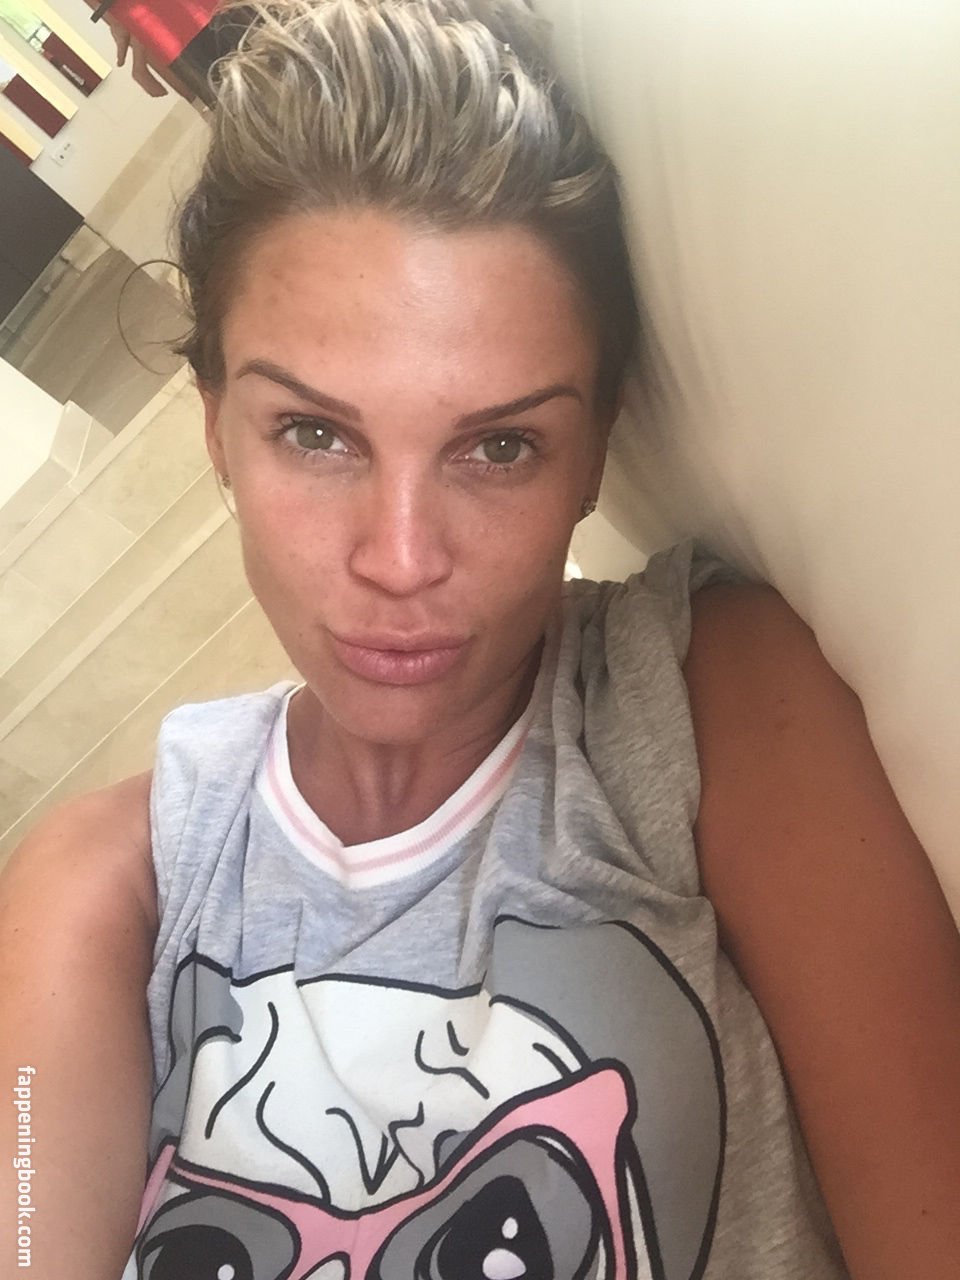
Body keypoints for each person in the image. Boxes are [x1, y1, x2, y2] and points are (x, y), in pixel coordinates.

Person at [2, 1, 959, 1277]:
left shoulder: (707, 707)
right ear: (217, 425)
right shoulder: (108, 879)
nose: (401, 558)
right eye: (315, 434)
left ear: (595, 451)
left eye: (500, 446)